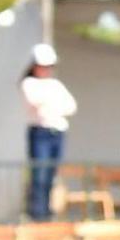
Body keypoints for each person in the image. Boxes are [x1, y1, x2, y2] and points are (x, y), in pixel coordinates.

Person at [20, 42, 76, 221]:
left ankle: (47, 212)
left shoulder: (55, 85)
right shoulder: (29, 84)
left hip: (56, 132)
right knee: (39, 174)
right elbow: (36, 103)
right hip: (40, 133)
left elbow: (70, 106)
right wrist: (52, 103)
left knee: (51, 174)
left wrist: (51, 104)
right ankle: (37, 212)